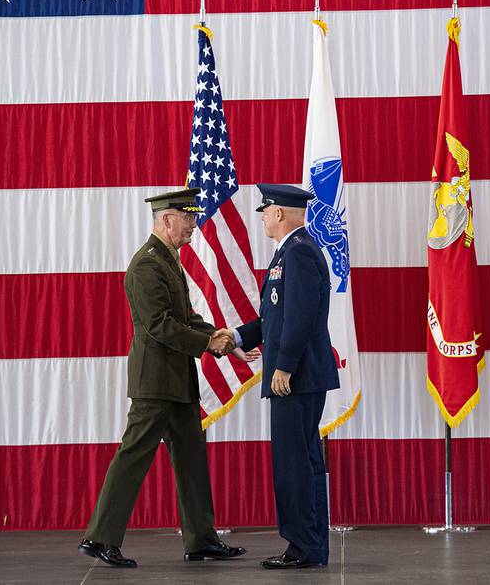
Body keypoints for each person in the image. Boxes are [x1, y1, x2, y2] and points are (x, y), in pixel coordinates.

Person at [78, 188, 246, 567]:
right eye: (187, 217)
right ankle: (100, 538)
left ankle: (201, 540)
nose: (193, 224)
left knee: (191, 457)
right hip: (155, 381)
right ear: (166, 218)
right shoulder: (147, 265)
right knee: (134, 454)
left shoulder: (169, 261)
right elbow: (159, 326)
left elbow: (185, 317)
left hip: (176, 379)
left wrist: (225, 339)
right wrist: (210, 343)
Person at [232, 184, 340, 569]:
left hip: (296, 376)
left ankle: (303, 547)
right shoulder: (289, 253)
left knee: (296, 464)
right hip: (296, 373)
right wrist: (237, 337)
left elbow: (301, 315)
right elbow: (274, 316)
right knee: (300, 460)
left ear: (278, 213)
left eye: (265, 211)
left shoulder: (299, 253)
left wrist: (285, 364)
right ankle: (307, 545)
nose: (262, 217)